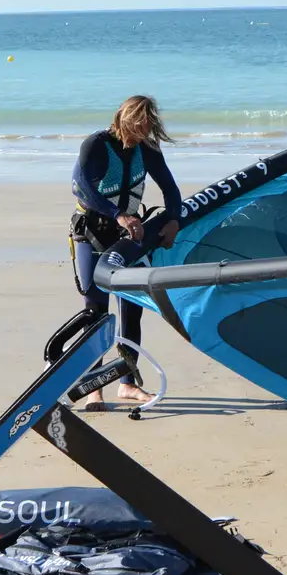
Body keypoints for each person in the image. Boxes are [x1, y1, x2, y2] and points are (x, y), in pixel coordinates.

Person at [70, 96, 181, 406]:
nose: (142, 131)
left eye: (147, 125)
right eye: (138, 125)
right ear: (124, 119)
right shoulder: (96, 144)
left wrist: (174, 218)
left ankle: (128, 383)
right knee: (96, 313)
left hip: (127, 235)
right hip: (91, 233)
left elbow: (171, 189)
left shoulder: (148, 148)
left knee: (132, 309)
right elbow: (82, 186)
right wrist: (117, 213)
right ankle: (95, 386)